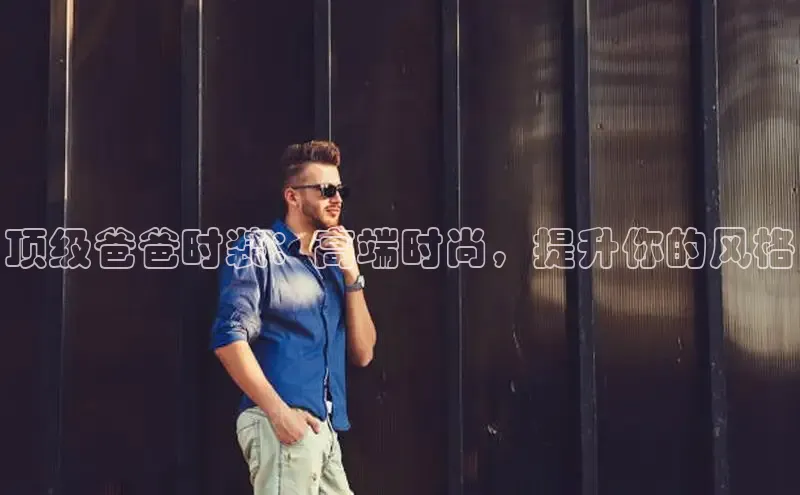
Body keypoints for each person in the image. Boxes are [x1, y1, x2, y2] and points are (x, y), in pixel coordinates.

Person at [209, 140, 377, 494]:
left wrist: (352, 274)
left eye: (341, 190)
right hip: (283, 424)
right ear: (293, 196)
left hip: (324, 429)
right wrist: (279, 413)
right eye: (326, 190)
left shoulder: (332, 266)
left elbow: (363, 353)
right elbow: (228, 340)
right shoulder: (259, 249)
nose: (337, 199)